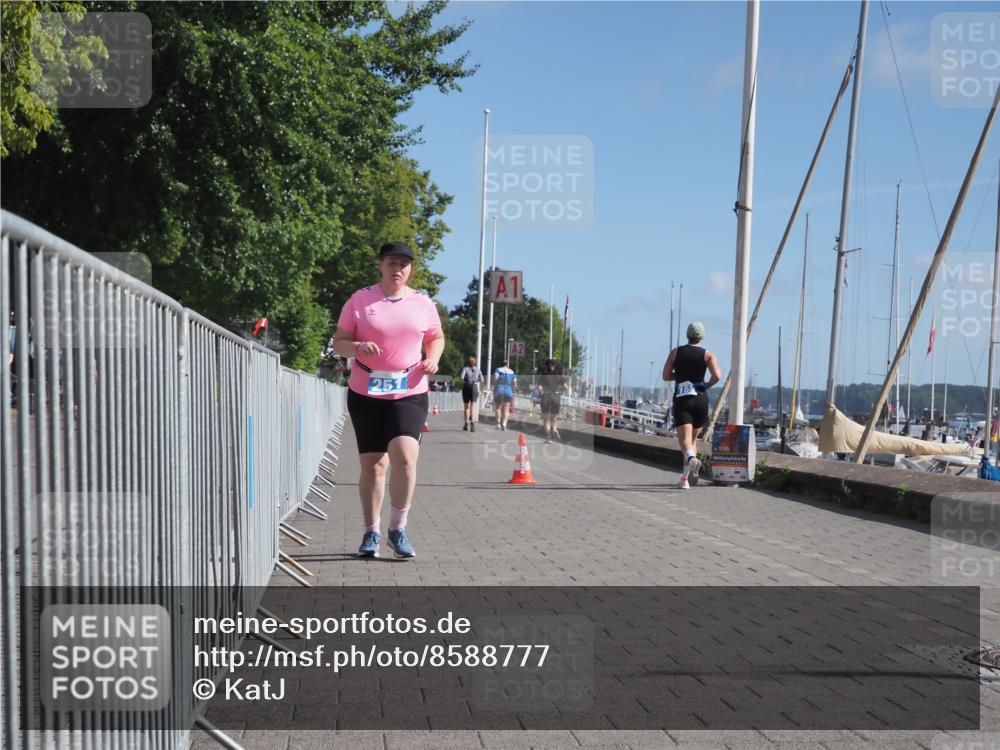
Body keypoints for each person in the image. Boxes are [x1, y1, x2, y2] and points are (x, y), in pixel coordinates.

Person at [332, 241, 444, 558]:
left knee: (406, 457)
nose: (398, 269)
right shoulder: (360, 300)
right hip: (366, 391)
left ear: (411, 269)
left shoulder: (423, 303)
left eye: (404, 264)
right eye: (392, 263)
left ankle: (397, 528)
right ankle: (371, 532)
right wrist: (356, 347)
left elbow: (436, 337)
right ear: (381, 265)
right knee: (374, 465)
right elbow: (339, 343)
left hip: (409, 389)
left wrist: (432, 358)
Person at [662, 321, 722, 489]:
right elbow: (717, 375)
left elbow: (666, 376)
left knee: (684, 441)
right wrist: (705, 385)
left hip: (683, 399)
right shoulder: (708, 355)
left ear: (687, 335)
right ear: (701, 337)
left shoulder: (675, 353)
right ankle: (684, 479)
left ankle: (691, 460)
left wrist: (679, 376)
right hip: (701, 399)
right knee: (692, 440)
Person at [538, 359, 566, 443]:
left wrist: (542, 390)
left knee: (546, 419)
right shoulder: (559, 375)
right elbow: (566, 387)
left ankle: (548, 438)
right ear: (554, 366)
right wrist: (560, 390)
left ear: (546, 366)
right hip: (556, 397)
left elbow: (540, 388)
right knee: (554, 417)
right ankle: (554, 428)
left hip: (546, 396)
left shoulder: (544, 375)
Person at [458, 356, 484, 431]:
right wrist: (476, 379)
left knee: (466, 406)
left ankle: (466, 424)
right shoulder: (478, 370)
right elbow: (482, 380)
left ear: (468, 362)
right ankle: (472, 422)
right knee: (473, 406)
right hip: (475, 386)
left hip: (467, 386)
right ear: (475, 362)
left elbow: (462, 377)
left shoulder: (465, 369)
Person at [493, 359, 516, 430]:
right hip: (508, 390)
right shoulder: (512, 372)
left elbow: (495, 379)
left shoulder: (498, 370)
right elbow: (514, 383)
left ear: (501, 363)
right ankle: (504, 423)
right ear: (507, 364)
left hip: (499, 390)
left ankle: (498, 424)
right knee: (506, 408)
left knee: (498, 407)